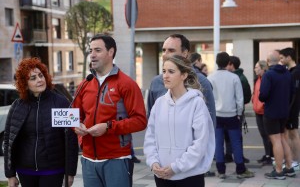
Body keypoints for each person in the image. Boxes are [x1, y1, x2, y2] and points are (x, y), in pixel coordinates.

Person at [73, 34, 147, 187]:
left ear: (111, 52)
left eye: (97, 50)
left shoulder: (127, 84)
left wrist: (108, 127)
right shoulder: (84, 84)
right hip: (88, 160)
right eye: (91, 50)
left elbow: (140, 121)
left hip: (117, 160)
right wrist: (77, 127)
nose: (92, 55)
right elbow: (74, 116)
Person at [147, 34, 216, 177]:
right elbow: (152, 130)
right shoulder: (156, 83)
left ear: (185, 53)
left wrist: (181, 165)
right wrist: (153, 161)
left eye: (171, 50)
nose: (165, 54)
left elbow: (207, 130)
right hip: (162, 172)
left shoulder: (202, 83)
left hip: (188, 171)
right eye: (164, 50)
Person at [4, 57, 78, 187]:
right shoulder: (17, 106)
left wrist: (70, 172)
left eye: (40, 75)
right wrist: (10, 174)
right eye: (33, 78)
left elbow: (71, 139)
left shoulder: (61, 102)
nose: (39, 80)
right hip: (25, 170)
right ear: (25, 84)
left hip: (53, 170)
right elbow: (9, 140)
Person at [207, 52, 254, 179]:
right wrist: (239, 113)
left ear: (216, 62)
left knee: (218, 143)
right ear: (228, 63)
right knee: (236, 142)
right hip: (232, 115)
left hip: (217, 115)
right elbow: (239, 98)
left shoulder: (211, 77)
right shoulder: (234, 78)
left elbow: (208, 98)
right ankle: (240, 169)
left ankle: (221, 171)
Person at [259, 50, 295, 179]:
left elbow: (263, 95)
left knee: (276, 141)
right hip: (284, 111)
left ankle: (279, 170)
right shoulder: (287, 73)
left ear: (268, 62)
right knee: (283, 138)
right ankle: (289, 167)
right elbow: (292, 93)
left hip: (272, 111)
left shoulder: (268, 75)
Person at [224, 56, 251, 163]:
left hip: (236, 111)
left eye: (227, 64)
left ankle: (238, 155)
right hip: (232, 110)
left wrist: (239, 108)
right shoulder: (238, 77)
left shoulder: (239, 78)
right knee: (229, 134)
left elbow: (246, 96)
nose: (226, 67)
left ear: (231, 65)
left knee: (236, 134)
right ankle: (230, 154)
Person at [279, 47, 300, 170]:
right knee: (288, 133)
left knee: (293, 133)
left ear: (289, 57)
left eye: (282, 58)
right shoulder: (291, 71)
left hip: (293, 107)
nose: (280, 60)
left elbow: (294, 93)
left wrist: (289, 107)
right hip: (290, 106)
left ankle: (296, 160)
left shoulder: (296, 72)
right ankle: (290, 159)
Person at [252, 60, 273, 165]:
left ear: (263, 68)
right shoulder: (258, 79)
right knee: (263, 135)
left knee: (268, 135)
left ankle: (271, 156)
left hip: (265, 111)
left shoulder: (267, 78)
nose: (255, 69)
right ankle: (267, 154)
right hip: (258, 111)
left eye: (257, 67)